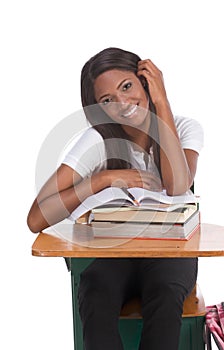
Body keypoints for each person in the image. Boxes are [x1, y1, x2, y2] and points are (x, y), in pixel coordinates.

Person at [27, 47, 204, 350]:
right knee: (95, 290)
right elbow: (36, 218)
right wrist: (99, 180)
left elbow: (177, 186)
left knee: (163, 293)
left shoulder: (185, 127)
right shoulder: (97, 140)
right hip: (115, 253)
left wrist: (161, 100)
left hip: (171, 253)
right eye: (107, 100)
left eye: (127, 86)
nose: (123, 104)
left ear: (145, 83)